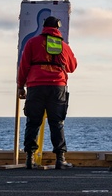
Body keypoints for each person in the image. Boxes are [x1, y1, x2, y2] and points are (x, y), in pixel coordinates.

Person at [17, 16, 78, 169]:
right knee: (56, 123)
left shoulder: (32, 43)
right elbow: (72, 67)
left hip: (36, 86)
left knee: (33, 122)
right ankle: (60, 158)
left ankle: (30, 159)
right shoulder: (64, 46)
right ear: (57, 28)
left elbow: (23, 66)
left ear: (43, 27)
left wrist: (20, 86)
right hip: (57, 86)